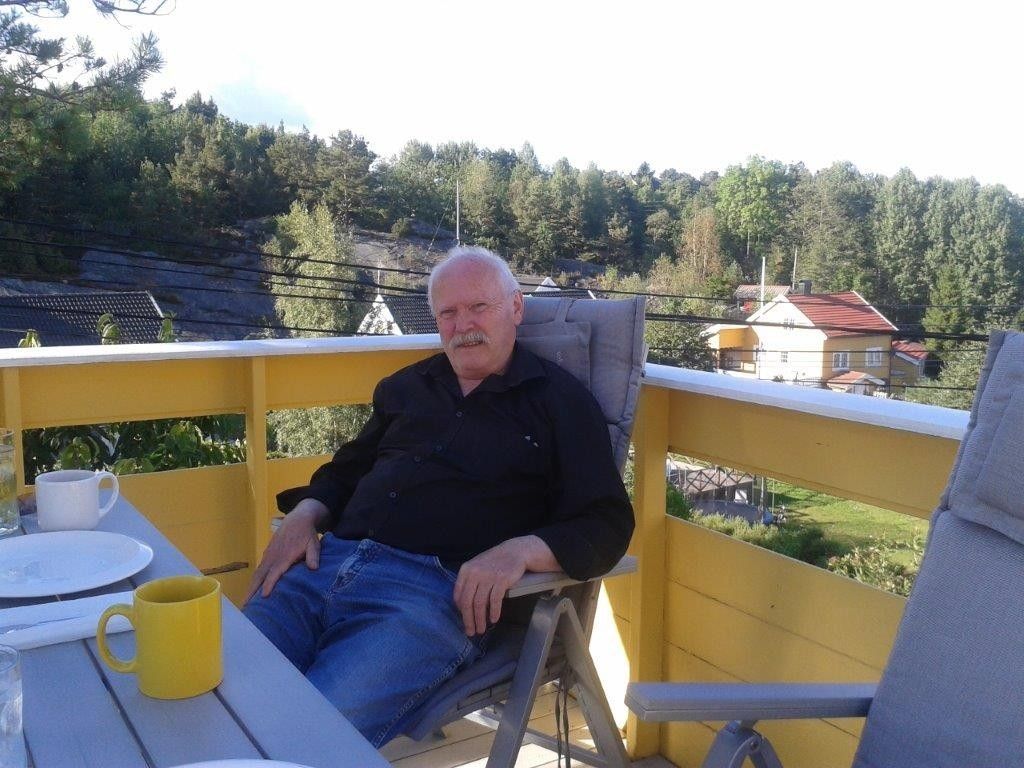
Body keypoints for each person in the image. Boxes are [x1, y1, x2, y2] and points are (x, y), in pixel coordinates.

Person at [243, 246, 633, 747]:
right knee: (225, 687)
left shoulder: (560, 404)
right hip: (320, 569)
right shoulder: (408, 387)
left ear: (516, 307)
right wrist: (304, 513)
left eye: (479, 307)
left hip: (426, 601)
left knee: (309, 736)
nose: (463, 325)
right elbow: (348, 469)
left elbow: (605, 521)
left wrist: (521, 551)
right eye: (448, 312)